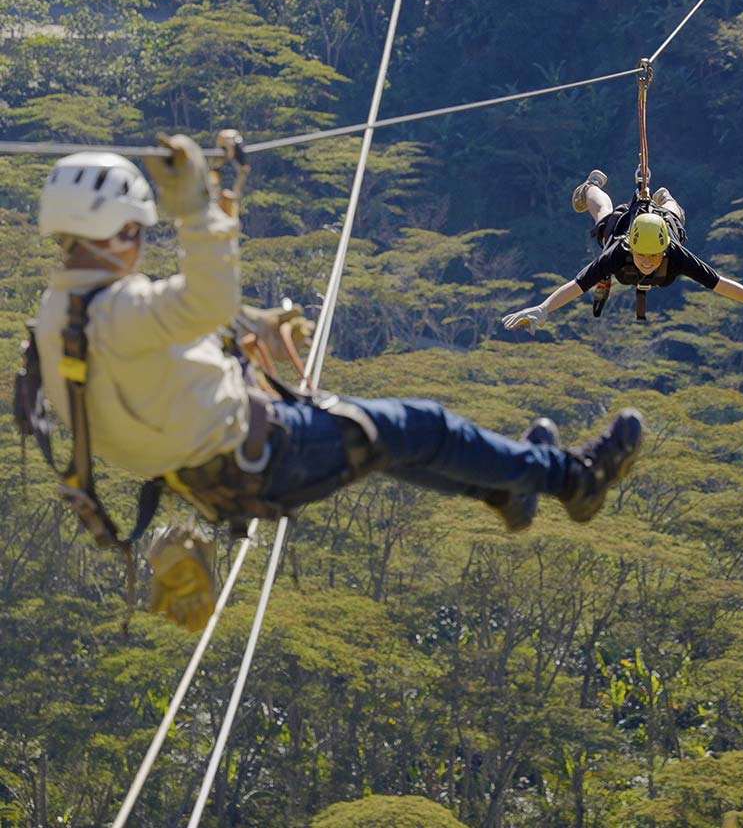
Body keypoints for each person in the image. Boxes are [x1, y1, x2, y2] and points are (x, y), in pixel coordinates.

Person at [33, 138, 644, 625]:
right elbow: (206, 297)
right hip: (263, 454)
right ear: (115, 233)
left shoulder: (61, 319)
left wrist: (238, 303)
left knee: (385, 444)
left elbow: (160, 354)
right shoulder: (120, 311)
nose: (139, 246)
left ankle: (506, 484)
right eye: (137, 232)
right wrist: (195, 208)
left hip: (217, 470)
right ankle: (572, 479)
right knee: (420, 426)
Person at [503, 169, 743, 335]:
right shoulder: (618, 250)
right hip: (624, 228)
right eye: (643, 256)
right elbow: (578, 285)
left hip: (662, 225)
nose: (647, 261)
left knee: (674, 214)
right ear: (632, 248)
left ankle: (664, 197)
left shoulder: (675, 253)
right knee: (604, 213)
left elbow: (719, 283)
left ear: (663, 250)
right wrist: (543, 310)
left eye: (653, 257)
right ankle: (590, 185)